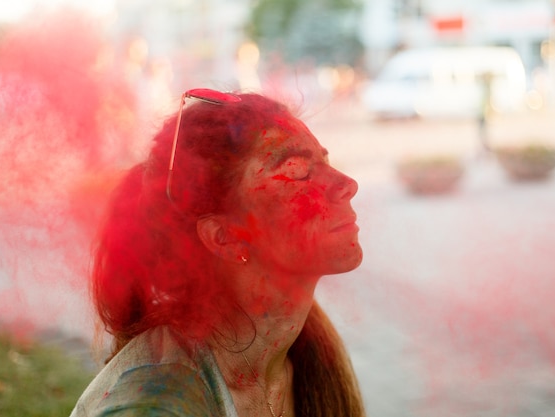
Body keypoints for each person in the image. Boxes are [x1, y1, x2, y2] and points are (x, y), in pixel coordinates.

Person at [70, 89, 366, 417]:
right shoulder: (155, 403)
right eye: (297, 171)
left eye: (325, 161)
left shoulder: (302, 362)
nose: (347, 184)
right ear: (225, 237)